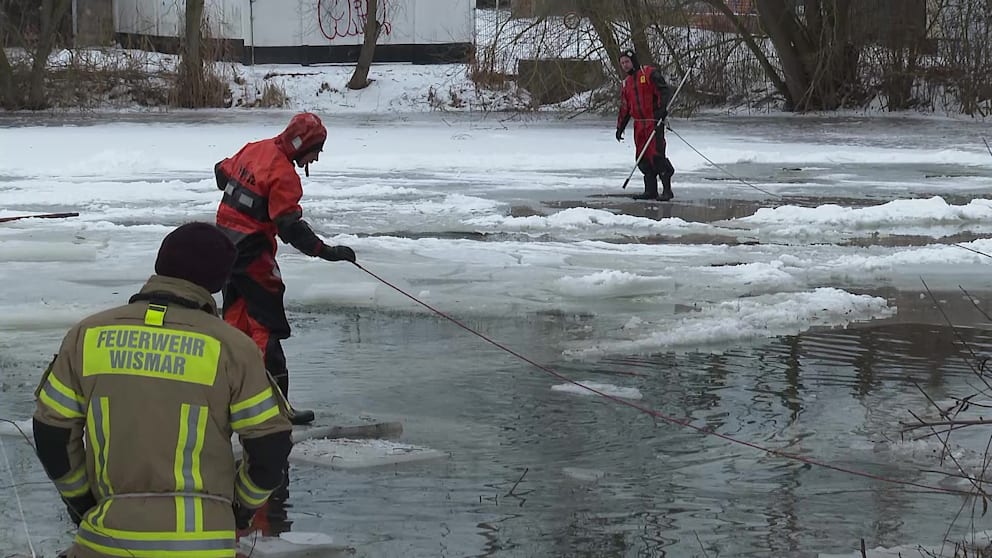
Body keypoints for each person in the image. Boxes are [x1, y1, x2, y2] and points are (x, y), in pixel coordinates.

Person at [33, 222, 293, 557]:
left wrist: (83, 503)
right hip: (204, 545)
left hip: (106, 541)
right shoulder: (232, 348)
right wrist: (239, 508)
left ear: (160, 263)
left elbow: (52, 434)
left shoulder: (87, 335)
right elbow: (269, 447)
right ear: (218, 281)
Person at [214, 112, 356, 426]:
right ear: (302, 145)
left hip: (223, 249)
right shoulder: (283, 175)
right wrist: (327, 252)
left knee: (234, 326)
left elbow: (221, 173)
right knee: (266, 328)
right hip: (251, 254)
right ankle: (276, 408)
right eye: (317, 149)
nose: (317, 157)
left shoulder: (255, 148)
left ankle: (226, 400)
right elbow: (290, 228)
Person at [615, 48, 676, 201]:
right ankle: (650, 191)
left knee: (657, 155)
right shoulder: (626, 83)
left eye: (627, 62)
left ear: (633, 61)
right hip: (639, 125)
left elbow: (663, 91)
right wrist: (620, 127)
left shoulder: (648, 73)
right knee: (642, 158)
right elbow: (625, 107)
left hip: (653, 121)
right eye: (622, 63)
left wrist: (662, 110)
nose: (625, 65)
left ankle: (667, 190)